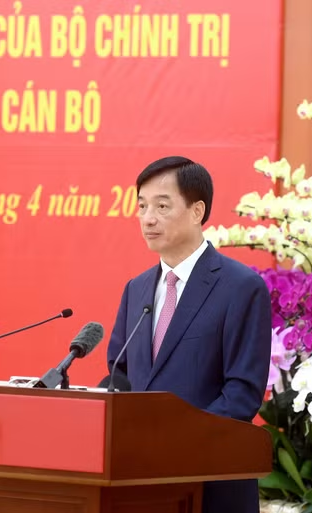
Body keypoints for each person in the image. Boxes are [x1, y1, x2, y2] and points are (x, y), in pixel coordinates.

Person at [105, 156, 272, 513]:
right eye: (142, 206)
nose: (148, 218)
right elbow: (120, 376)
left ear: (197, 211)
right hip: (141, 485)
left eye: (162, 206)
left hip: (211, 484)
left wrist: (176, 444)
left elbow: (242, 393)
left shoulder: (241, 287)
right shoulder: (136, 289)